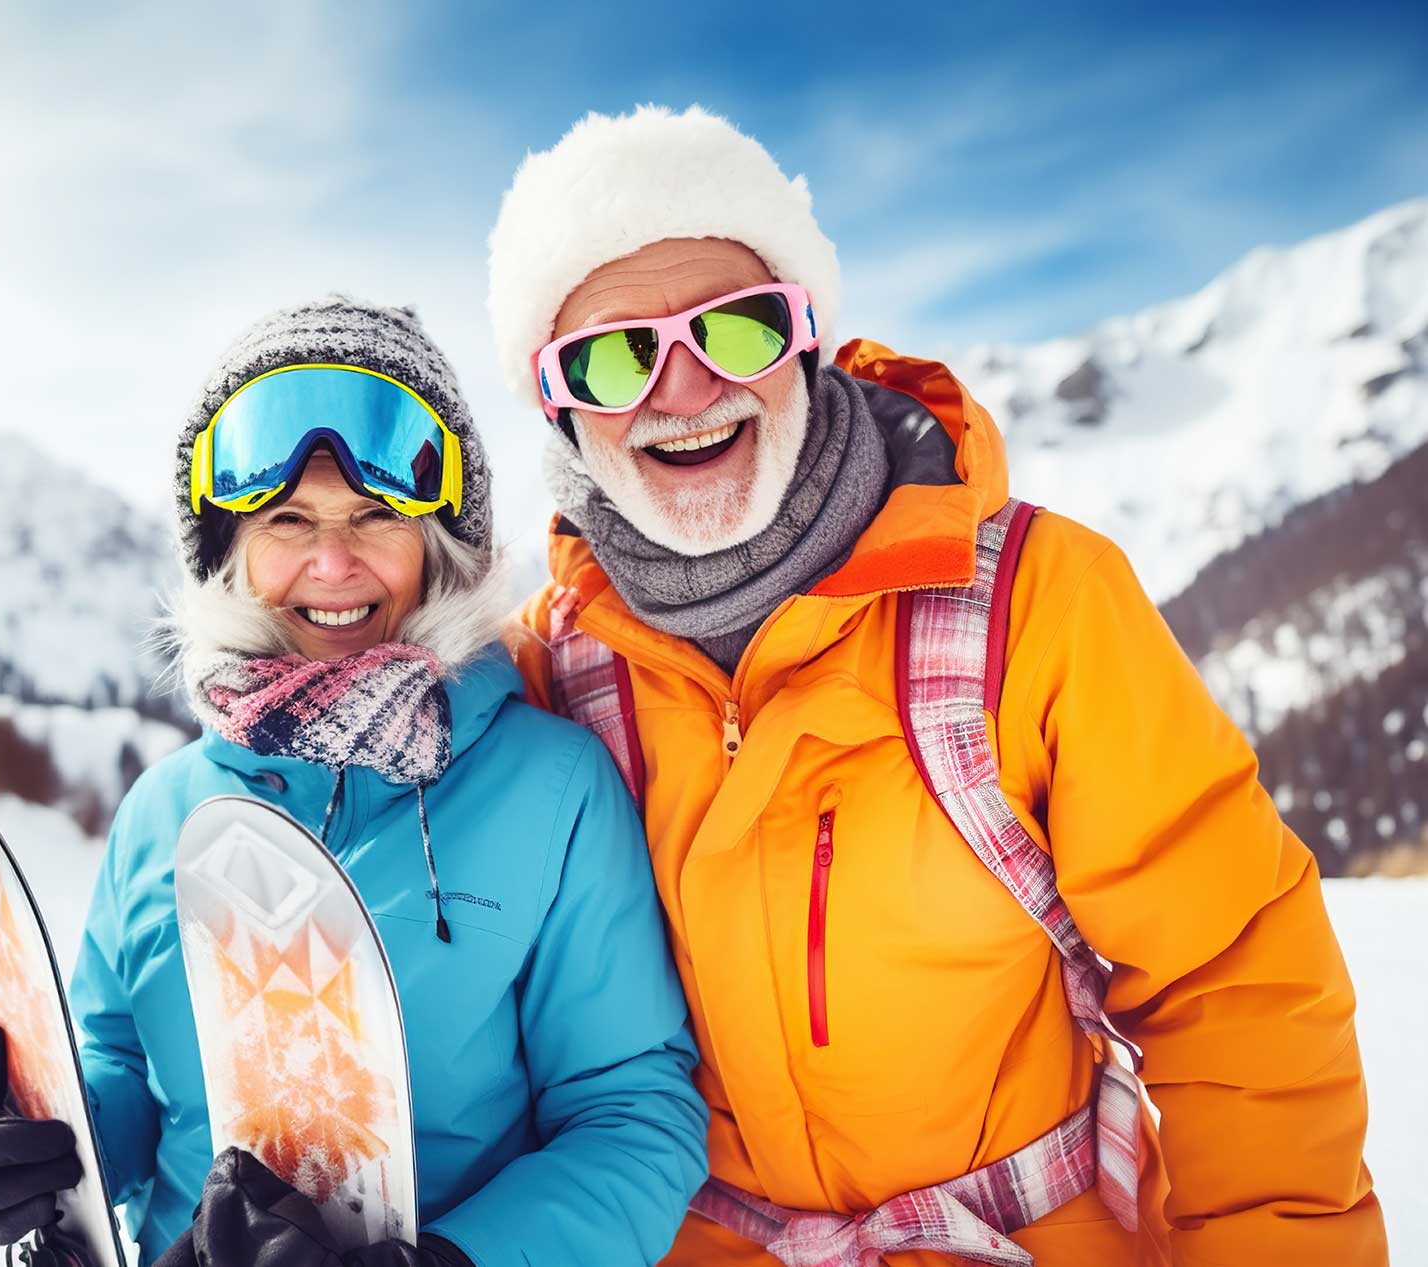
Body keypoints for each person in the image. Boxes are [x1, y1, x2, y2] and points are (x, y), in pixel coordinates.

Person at [492, 105, 1387, 1264]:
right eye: (615, 355)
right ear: (558, 404)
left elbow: (1234, 982)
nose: (682, 387)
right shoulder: (546, 674)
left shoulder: (1031, 600)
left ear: (807, 339)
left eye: (739, 330)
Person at [0, 297, 709, 1266]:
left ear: (440, 541)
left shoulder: (549, 790)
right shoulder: (161, 811)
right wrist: (34, 1147)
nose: (331, 564)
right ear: (228, 548)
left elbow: (633, 1115)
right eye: (287, 518)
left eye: (374, 515)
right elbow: (117, 1055)